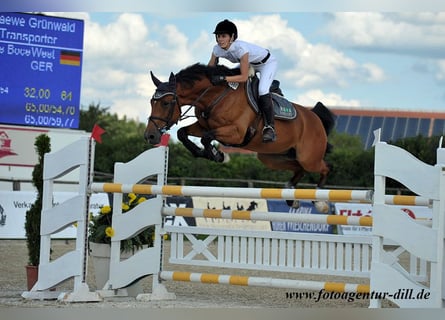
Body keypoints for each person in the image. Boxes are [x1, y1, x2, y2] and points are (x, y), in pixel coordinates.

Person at [208, 19, 277, 143]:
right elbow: (209, 68)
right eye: (218, 36)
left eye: (223, 36)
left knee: (262, 90)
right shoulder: (217, 49)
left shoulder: (240, 49)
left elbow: (244, 77)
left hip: (266, 63)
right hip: (249, 63)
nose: (220, 39)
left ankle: (269, 127)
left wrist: (223, 78)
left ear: (232, 37)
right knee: (230, 78)